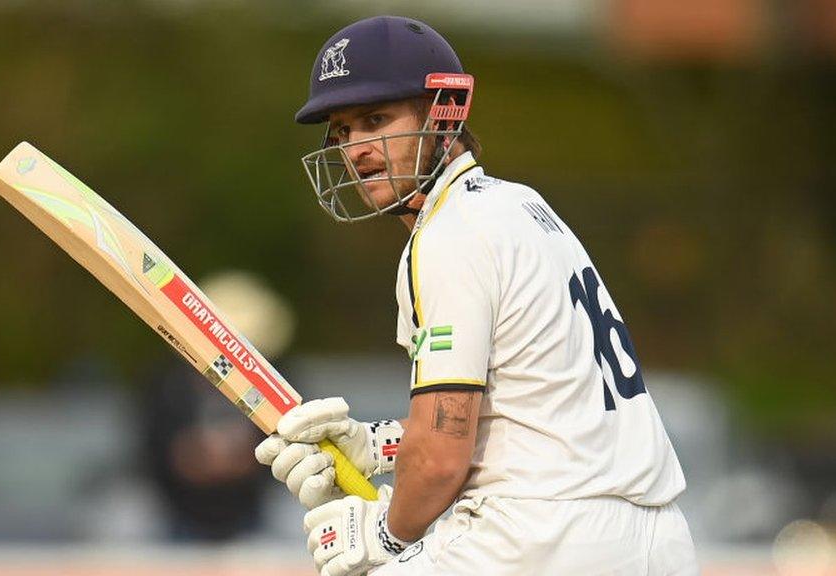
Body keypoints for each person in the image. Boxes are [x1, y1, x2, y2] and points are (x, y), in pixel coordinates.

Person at [254, 15, 698, 576]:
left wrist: (384, 535)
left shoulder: (449, 233)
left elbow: (442, 458)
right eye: (342, 132)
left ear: (443, 111)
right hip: (657, 542)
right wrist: (378, 446)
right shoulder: (518, 205)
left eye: (375, 120)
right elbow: (519, 402)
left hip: (540, 536)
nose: (357, 149)